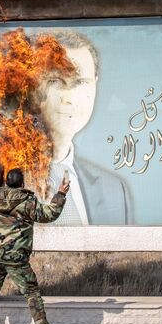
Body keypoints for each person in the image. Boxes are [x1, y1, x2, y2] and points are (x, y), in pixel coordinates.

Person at [29, 30, 132, 225]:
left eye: (80, 82)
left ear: (95, 84)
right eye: (55, 81)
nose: (68, 98)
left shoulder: (115, 190)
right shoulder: (7, 179)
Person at [0, 168, 70, 324]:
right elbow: (49, 214)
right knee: (31, 293)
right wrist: (60, 194)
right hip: (16, 258)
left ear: (6, 182)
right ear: (22, 183)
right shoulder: (28, 201)